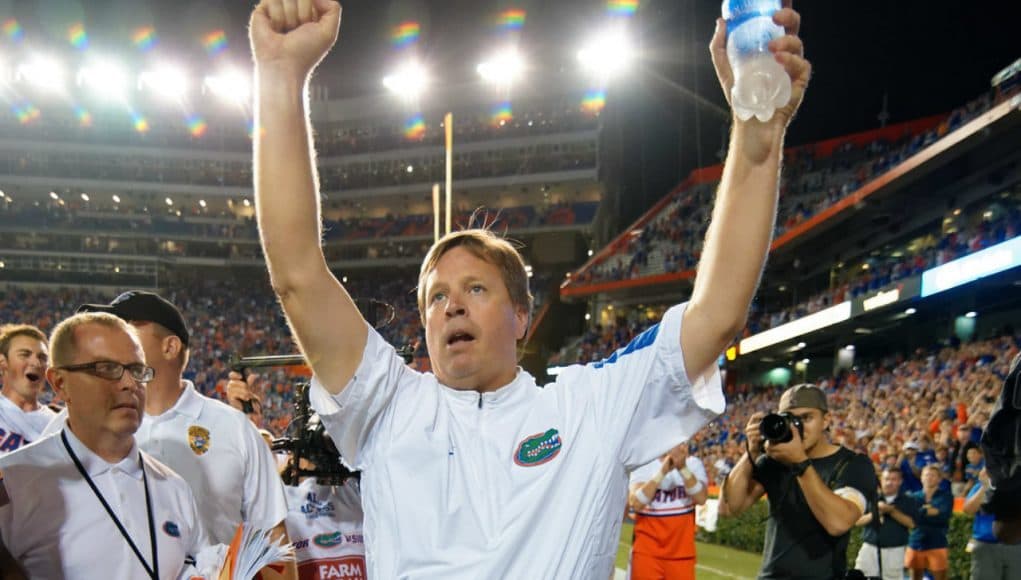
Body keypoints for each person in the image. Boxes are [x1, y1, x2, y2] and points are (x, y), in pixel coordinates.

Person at [250, 0, 809, 575]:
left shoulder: (590, 404)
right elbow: (296, 272)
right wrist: (280, 76)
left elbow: (717, 314)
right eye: (436, 298)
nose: (452, 305)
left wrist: (756, 137)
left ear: (522, 316)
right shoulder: (387, 404)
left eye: (475, 288)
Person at [45, 291, 290, 548]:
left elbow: (274, 536)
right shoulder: (75, 424)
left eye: (125, 327)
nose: (113, 336)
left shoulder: (234, 428)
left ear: (170, 347)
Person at [0, 312, 206, 579]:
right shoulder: (13, 482)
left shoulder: (175, 489)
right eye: (107, 369)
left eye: (136, 371)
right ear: (60, 383)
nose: (130, 384)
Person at [720, 384, 877, 579]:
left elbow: (839, 522)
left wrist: (800, 463)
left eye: (806, 418)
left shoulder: (852, 464)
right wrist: (750, 451)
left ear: (826, 420)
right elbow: (728, 507)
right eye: (789, 419)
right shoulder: (775, 460)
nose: (797, 427)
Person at [627, 443, 708, 580]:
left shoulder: (693, 464)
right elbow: (636, 503)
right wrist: (662, 472)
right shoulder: (644, 463)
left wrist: (683, 468)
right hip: (647, 552)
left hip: (681, 553)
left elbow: (701, 498)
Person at [853, 467, 919, 580]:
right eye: (886, 479)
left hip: (895, 550)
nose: (889, 482)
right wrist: (875, 514)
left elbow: (912, 524)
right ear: (881, 480)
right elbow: (856, 521)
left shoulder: (909, 500)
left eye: (893, 479)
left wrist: (891, 511)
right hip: (869, 548)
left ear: (900, 481)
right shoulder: (870, 498)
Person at [0, 324, 55, 453]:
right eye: (25, 354)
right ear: (3, 362)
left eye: (42, 358)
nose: (36, 363)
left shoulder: (59, 426)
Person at [962, 468, 1021, 579]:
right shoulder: (980, 487)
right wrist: (984, 487)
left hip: (1016, 546)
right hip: (986, 545)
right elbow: (968, 510)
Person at [905, 465, 953, 580]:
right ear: (921, 478)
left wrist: (920, 511)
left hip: (937, 542)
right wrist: (929, 511)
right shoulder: (913, 496)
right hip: (916, 541)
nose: (929, 478)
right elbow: (912, 517)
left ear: (939, 479)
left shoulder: (946, 496)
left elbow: (943, 515)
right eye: (926, 475)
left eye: (933, 475)